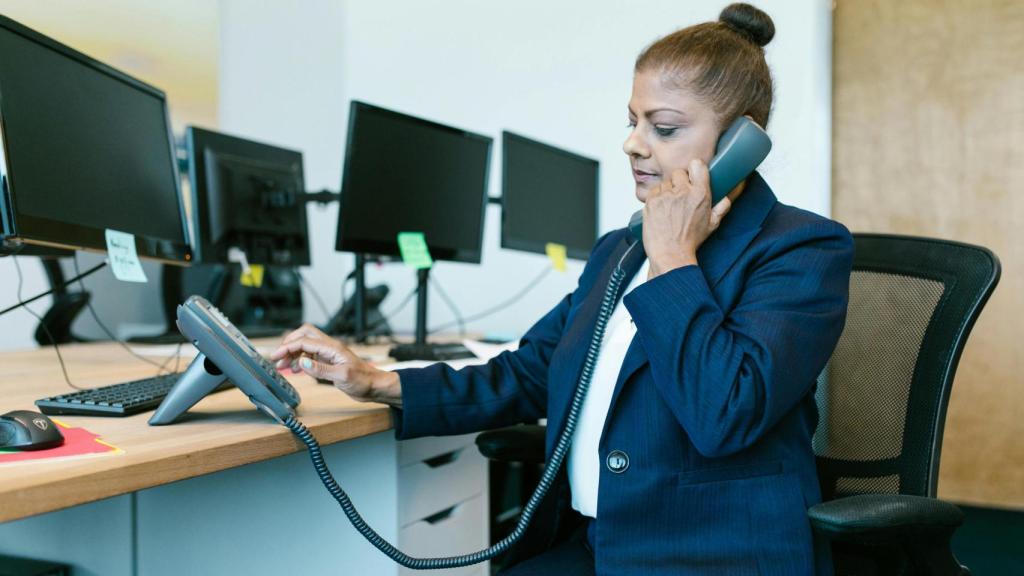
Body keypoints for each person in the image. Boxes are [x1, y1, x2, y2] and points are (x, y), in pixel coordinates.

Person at [272, 3, 852, 574]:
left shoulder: (799, 249)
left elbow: (724, 414)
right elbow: (532, 371)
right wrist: (378, 381)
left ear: (739, 144)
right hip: (598, 548)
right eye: (633, 121)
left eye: (664, 127)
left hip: (711, 557)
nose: (633, 144)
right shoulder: (618, 251)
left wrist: (673, 256)